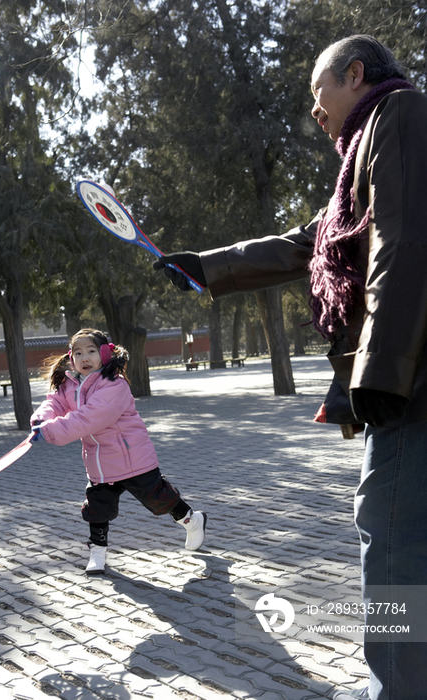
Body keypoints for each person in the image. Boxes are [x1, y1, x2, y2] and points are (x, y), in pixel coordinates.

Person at [153, 35, 427, 700]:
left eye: (318, 93)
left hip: (413, 381)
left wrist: (381, 377)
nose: (314, 112)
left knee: (389, 538)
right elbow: (309, 243)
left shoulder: (401, 117)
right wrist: (207, 267)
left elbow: (402, 241)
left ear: (355, 74)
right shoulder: (366, 153)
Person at [30, 329, 207, 575]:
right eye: (78, 353)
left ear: (104, 353)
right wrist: (41, 420)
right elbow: (54, 403)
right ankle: (98, 553)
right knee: (97, 508)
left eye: (91, 351)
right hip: (100, 462)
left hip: (133, 458)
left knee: (158, 498)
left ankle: (191, 519)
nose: (84, 358)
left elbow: (89, 419)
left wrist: (51, 431)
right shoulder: (70, 385)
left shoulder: (114, 384)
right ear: (71, 358)